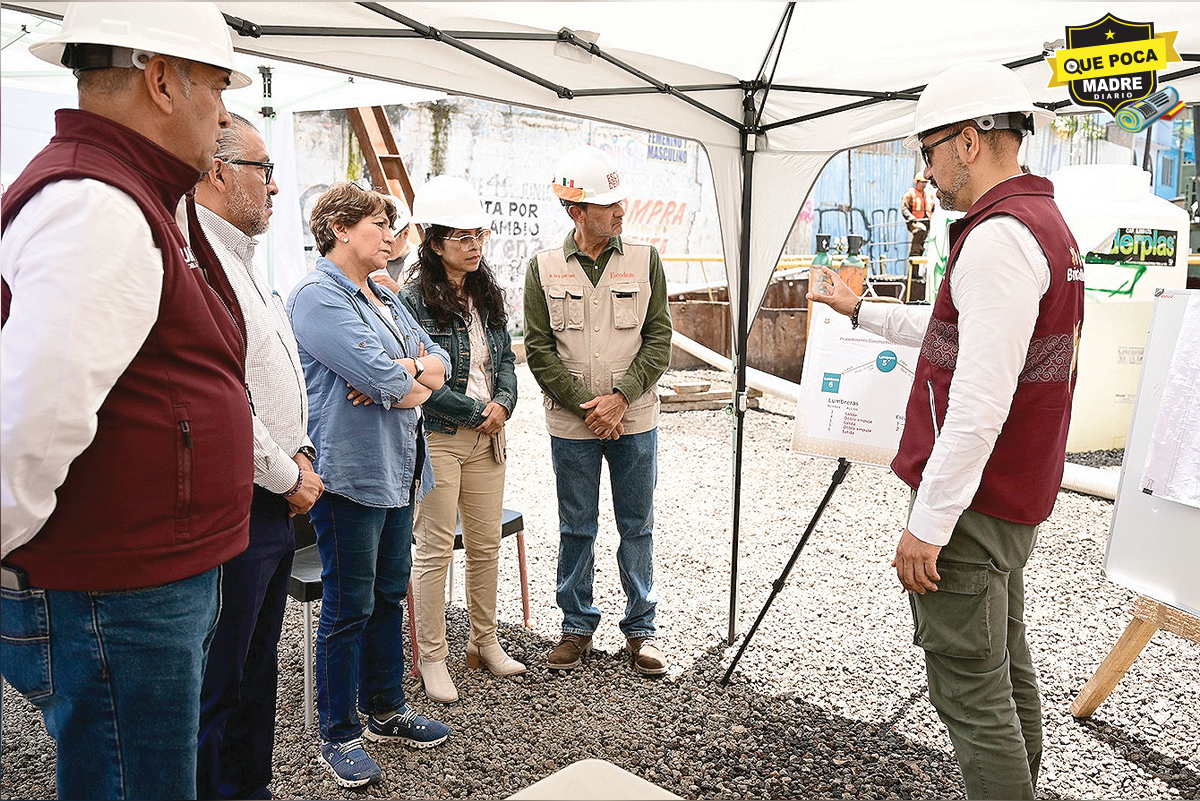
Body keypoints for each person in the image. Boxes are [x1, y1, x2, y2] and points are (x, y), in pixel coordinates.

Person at [808, 62, 1084, 800]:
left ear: (969, 140)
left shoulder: (997, 238)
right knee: (1003, 668)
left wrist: (928, 521)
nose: (926, 175)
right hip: (1009, 498)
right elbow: (957, 333)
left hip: (972, 504)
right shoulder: (1043, 226)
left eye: (928, 153)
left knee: (969, 690)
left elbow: (979, 402)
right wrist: (860, 312)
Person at [0, 4, 253, 799]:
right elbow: (28, 426)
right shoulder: (98, 205)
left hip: (135, 583)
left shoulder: (134, 190)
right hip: (113, 591)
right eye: (217, 88)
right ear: (162, 79)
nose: (221, 117)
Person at [287, 182, 452, 789]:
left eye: (391, 224)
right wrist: (405, 377)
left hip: (399, 468)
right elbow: (385, 383)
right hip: (350, 476)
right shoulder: (315, 298)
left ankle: (385, 707)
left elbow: (438, 364)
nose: (391, 235)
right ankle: (337, 732)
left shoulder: (382, 293)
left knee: (387, 595)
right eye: (379, 223)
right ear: (338, 229)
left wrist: (410, 372)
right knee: (348, 605)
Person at [193, 113, 323, 800]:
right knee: (222, 675)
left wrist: (297, 452)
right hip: (241, 501)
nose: (275, 187)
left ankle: (250, 787)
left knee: (256, 665)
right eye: (262, 170)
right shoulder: (199, 260)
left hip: (273, 494)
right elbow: (223, 399)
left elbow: (270, 384)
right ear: (218, 172)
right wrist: (288, 472)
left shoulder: (240, 258)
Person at [524, 145, 673, 676]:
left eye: (620, 201)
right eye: (607, 204)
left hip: (633, 418)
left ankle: (641, 629)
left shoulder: (644, 259)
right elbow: (538, 349)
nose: (619, 211)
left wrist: (619, 399)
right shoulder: (542, 268)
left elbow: (659, 340)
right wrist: (586, 408)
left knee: (637, 524)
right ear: (575, 210)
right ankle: (576, 627)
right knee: (576, 525)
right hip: (572, 423)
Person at [398, 176, 522, 703]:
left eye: (480, 235)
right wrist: (479, 410)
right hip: (443, 437)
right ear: (433, 242)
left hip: (487, 437)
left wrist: (504, 405)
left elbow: (507, 361)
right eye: (462, 237)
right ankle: (432, 658)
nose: (474, 246)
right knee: (434, 552)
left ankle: (484, 643)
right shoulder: (413, 299)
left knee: (486, 544)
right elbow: (422, 381)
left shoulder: (486, 292)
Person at [371, 196, 414, 293]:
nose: (383, 245)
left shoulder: (422, 263)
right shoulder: (369, 260)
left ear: (405, 234)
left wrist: (399, 292)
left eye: (388, 241)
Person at [901, 172, 935, 257]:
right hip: (914, 222)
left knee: (923, 238)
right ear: (917, 182)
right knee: (920, 230)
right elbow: (904, 208)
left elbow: (933, 206)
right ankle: (914, 254)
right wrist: (911, 217)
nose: (924, 185)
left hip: (926, 222)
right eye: (922, 182)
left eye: (925, 182)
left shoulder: (928, 193)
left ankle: (919, 253)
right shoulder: (910, 193)